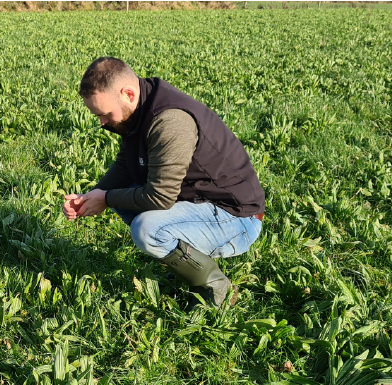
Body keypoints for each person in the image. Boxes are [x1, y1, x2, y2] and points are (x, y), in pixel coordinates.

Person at [63, 57, 265, 309]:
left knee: (147, 229)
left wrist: (106, 198)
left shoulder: (169, 121)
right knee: (120, 199)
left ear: (127, 94)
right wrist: (94, 195)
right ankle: (185, 259)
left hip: (237, 219)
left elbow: (159, 197)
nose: (102, 123)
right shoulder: (139, 108)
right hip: (198, 202)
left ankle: (215, 287)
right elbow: (126, 164)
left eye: (104, 114)